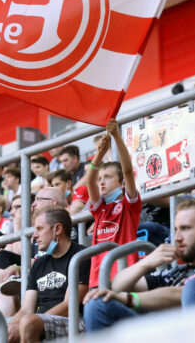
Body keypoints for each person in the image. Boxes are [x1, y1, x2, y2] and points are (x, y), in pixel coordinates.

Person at [82, 199, 195, 331]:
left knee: (194, 287)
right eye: (176, 229)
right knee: (97, 304)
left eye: (185, 229)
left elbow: (181, 294)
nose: (176, 237)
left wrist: (129, 299)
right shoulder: (174, 274)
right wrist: (146, 263)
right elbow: (116, 286)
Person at [0, 207, 91, 343]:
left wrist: (31, 322)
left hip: (72, 321)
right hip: (36, 321)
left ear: (57, 229)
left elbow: (69, 305)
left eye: (39, 229)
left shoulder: (80, 256)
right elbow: (26, 308)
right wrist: (11, 327)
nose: (34, 236)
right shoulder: (39, 263)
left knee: (28, 323)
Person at [86, 118, 142, 288]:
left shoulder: (129, 205)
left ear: (122, 183)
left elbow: (127, 171)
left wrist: (117, 137)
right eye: (100, 178)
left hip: (125, 273)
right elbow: (90, 180)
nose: (101, 182)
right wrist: (100, 154)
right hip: (98, 276)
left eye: (108, 177)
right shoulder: (99, 208)